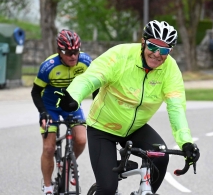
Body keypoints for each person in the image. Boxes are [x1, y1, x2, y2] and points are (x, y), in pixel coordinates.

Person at [56, 20, 200, 194]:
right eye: (153, 46)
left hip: (135, 128)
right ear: (143, 41)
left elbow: (176, 107)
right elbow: (93, 77)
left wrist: (186, 142)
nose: (157, 54)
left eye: (164, 50)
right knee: (108, 188)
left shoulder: (170, 69)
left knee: (161, 156)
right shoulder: (121, 55)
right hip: (103, 127)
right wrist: (73, 95)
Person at [31, 29, 96, 195]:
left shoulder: (86, 61)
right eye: (68, 53)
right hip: (50, 106)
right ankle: (47, 187)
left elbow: (97, 85)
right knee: (49, 148)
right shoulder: (49, 66)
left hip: (71, 105)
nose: (73, 56)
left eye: (76, 51)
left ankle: (68, 164)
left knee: (81, 140)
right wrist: (43, 113)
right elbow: (35, 92)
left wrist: (98, 106)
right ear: (59, 51)